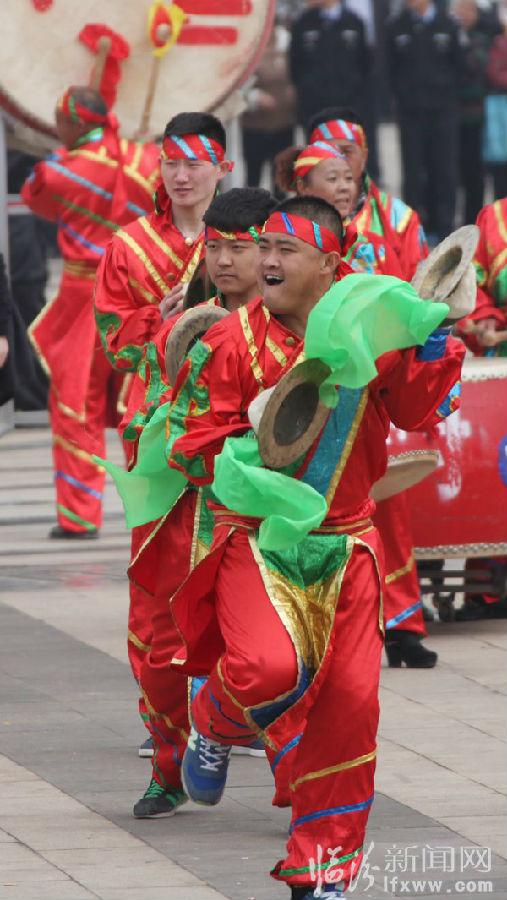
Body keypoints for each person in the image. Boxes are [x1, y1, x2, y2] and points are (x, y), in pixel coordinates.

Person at [160, 195, 464, 898]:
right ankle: (212, 721)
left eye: (284, 250)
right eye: (263, 246)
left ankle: (322, 871)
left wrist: (432, 341)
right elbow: (188, 442)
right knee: (266, 668)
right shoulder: (230, 341)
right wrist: (248, 441)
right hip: (256, 541)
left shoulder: (369, 330)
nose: (265, 261)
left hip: (348, 546)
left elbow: (415, 410)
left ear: (329, 264)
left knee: (350, 708)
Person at [121, 187, 278, 816]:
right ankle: (167, 770)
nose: (225, 261)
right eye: (215, 247)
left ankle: (294, 782)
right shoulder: (182, 326)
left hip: (259, 516)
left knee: (275, 648)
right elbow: (150, 417)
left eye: (240, 248)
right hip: (183, 512)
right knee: (162, 650)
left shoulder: (291, 329)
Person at [94, 111, 231, 755]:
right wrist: (159, 319)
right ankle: (165, 719)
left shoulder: (245, 239)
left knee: (232, 567)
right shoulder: (129, 247)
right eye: (171, 163)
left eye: (194, 163)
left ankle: (228, 710)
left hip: (231, 424)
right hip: (155, 429)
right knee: (158, 575)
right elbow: (116, 345)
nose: (181, 175)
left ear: (223, 167)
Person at [21, 86, 160, 538]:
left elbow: (36, 198)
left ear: (77, 122)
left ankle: (80, 514)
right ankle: (156, 506)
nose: (55, 127)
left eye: (60, 120)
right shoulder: (146, 159)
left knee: (77, 404)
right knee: (142, 403)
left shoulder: (59, 169)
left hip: (85, 296)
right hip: (138, 295)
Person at [306, 107, 428, 279]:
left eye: (346, 152)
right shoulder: (289, 222)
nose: (338, 161)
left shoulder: (399, 219)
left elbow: (420, 286)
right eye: (327, 153)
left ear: (364, 156)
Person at [386, 0, 464, 244]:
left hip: (443, 112)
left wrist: (447, 96)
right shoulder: (397, 26)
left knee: (444, 171)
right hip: (410, 114)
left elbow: (459, 66)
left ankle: (445, 227)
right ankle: (414, 231)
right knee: (413, 172)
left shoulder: (448, 24)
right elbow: (389, 69)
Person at [274, 140, 403, 275]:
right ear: (303, 187)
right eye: (332, 178)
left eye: (348, 178)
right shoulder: (281, 243)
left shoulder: (374, 248)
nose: (344, 187)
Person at [289, 1, 372, 140]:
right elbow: (295, 67)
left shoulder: (354, 22)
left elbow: (364, 65)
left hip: (349, 110)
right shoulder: (303, 24)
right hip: (315, 111)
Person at [452, 0, 500, 224]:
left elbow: (477, 69)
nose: (463, 15)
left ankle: (479, 219)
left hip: (479, 115)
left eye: (468, 10)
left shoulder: (483, 38)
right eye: (459, 10)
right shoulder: (450, 35)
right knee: (459, 172)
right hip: (453, 115)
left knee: (478, 173)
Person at [241, 20, 296, 194]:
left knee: (281, 180)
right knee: (253, 179)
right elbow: (237, 86)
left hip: (283, 124)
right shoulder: (248, 47)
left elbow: (301, 72)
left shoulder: (287, 42)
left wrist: (295, 90)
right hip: (255, 126)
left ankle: (279, 210)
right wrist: (255, 98)